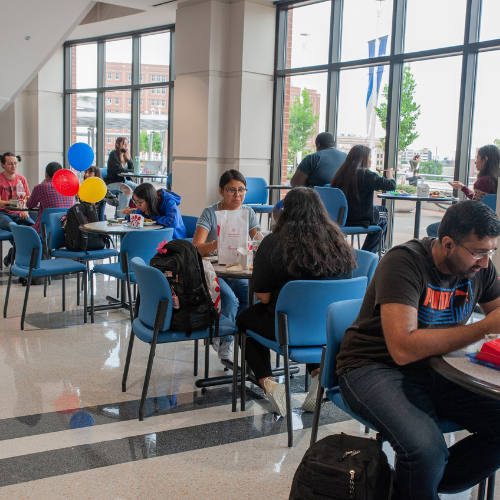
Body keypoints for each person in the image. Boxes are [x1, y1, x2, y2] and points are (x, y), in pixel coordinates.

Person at [336, 200, 500, 500]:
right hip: (372, 366)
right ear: (448, 244)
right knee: (425, 451)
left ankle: (412, 486)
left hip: (440, 368)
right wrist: (482, 327)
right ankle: (419, 482)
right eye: (478, 252)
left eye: (491, 252)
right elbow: (403, 349)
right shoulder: (404, 262)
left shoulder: (480, 270)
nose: (485, 262)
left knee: (427, 465)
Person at [236, 187, 356, 416]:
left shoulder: (273, 243)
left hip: (286, 328)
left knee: (245, 321)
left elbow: (263, 296)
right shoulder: (339, 242)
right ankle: (319, 375)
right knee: (310, 313)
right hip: (330, 328)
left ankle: (269, 384)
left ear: (286, 211)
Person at [192, 169, 260, 360]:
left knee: (250, 297)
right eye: (231, 190)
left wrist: (259, 240)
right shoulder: (211, 213)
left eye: (241, 190)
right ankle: (224, 338)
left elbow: (258, 240)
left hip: (237, 269)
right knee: (230, 300)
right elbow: (196, 248)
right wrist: (218, 243)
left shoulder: (248, 212)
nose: (237, 195)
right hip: (212, 271)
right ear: (221, 191)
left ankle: (236, 337)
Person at [331, 144, 396, 253]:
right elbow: (391, 186)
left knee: (380, 210)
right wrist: (390, 174)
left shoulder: (339, 174)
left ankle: (368, 252)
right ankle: (368, 253)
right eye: (370, 158)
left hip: (340, 218)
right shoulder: (366, 174)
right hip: (359, 218)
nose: (370, 162)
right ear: (364, 159)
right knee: (383, 213)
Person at [427, 144, 500, 238]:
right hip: (493, 224)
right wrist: (463, 188)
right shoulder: (496, 179)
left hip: (476, 225)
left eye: (477, 158)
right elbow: (483, 202)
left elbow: (477, 208)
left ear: (485, 159)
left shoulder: (483, 181)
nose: (475, 162)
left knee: (432, 229)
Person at [0, 152, 34, 267]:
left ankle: (12, 253)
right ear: (3, 164)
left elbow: (28, 199)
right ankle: (20, 259)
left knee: (33, 228)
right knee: (14, 228)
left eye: (15, 163)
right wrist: (11, 202)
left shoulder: (22, 179)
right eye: (10, 164)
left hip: (19, 213)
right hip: (3, 213)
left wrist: (25, 211)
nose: (13, 166)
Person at [122, 183, 186, 239]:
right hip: (158, 238)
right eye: (135, 202)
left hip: (174, 240)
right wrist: (130, 214)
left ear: (149, 200)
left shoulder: (169, 202)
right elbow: (137, 221)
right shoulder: (144, 207)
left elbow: (173, 223)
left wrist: (154, 217)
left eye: (139, 202)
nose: (137, 206)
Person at [27, 162, 75, 233]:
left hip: (46, 231)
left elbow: (30, 205)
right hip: (66, 230)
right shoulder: (70, 187)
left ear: (46, 174)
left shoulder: (40, 187)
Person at [104, 137, 138, 212]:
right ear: (117, 144)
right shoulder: (113, 154)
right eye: (123, 144)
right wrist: (129, 170)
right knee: (127, 190)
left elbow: (133, 169)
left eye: (127, 144)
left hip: (124, 181)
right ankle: (121, 215)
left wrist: (129, 159)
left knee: (139, 188)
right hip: (112, 182)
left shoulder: (127, 155)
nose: (126, 146)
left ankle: (137, 211)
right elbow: (119, 170)